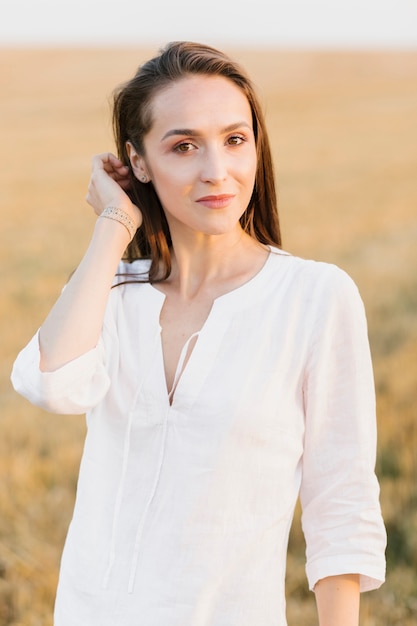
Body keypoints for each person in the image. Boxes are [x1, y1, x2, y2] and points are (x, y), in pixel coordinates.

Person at [11, 41, 386, 626]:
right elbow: (55, 385)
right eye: (183, 146)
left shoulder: (315, 297)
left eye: (235, 140)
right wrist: (115, 224)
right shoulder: (113, 290)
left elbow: (341, 504)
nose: (217, 171)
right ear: (138, 163)